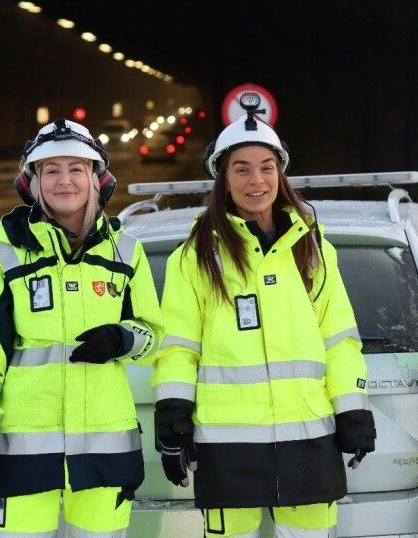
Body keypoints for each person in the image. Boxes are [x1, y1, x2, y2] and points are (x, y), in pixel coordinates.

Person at [151, 94, 376, 538]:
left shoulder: (313, 250)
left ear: (281, 173)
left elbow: (340, 338)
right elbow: (177, 346)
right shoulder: (195, 258)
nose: (257, 180)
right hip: (227, 444)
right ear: (223, 179)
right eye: (242, 168)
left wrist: (352, 410)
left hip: (308, 439)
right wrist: (173, 419)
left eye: (267, 167)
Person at [0, 118, 163, 537]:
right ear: (32, 181)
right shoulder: (3, 254)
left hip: (105, 451)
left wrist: (123, 338)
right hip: (23, 450)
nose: (64, 181)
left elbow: (155, 336)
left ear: (96, 179)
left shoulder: (126, 252)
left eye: (76, 169)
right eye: (51, 170)